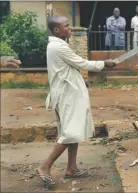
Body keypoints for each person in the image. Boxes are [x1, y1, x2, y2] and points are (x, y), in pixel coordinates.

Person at [36, 15, 118, 187]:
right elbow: (81, 63)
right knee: (70, 133)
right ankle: (45, 167)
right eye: (66, 26)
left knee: (74, 131)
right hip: (67, 96)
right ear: (57, 30)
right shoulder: (58, 47)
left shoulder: (58, 45)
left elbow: (68, 69)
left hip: (69, 93)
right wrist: (104, 63)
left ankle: (71, 168)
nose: (70, 29)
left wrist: (81, 80)